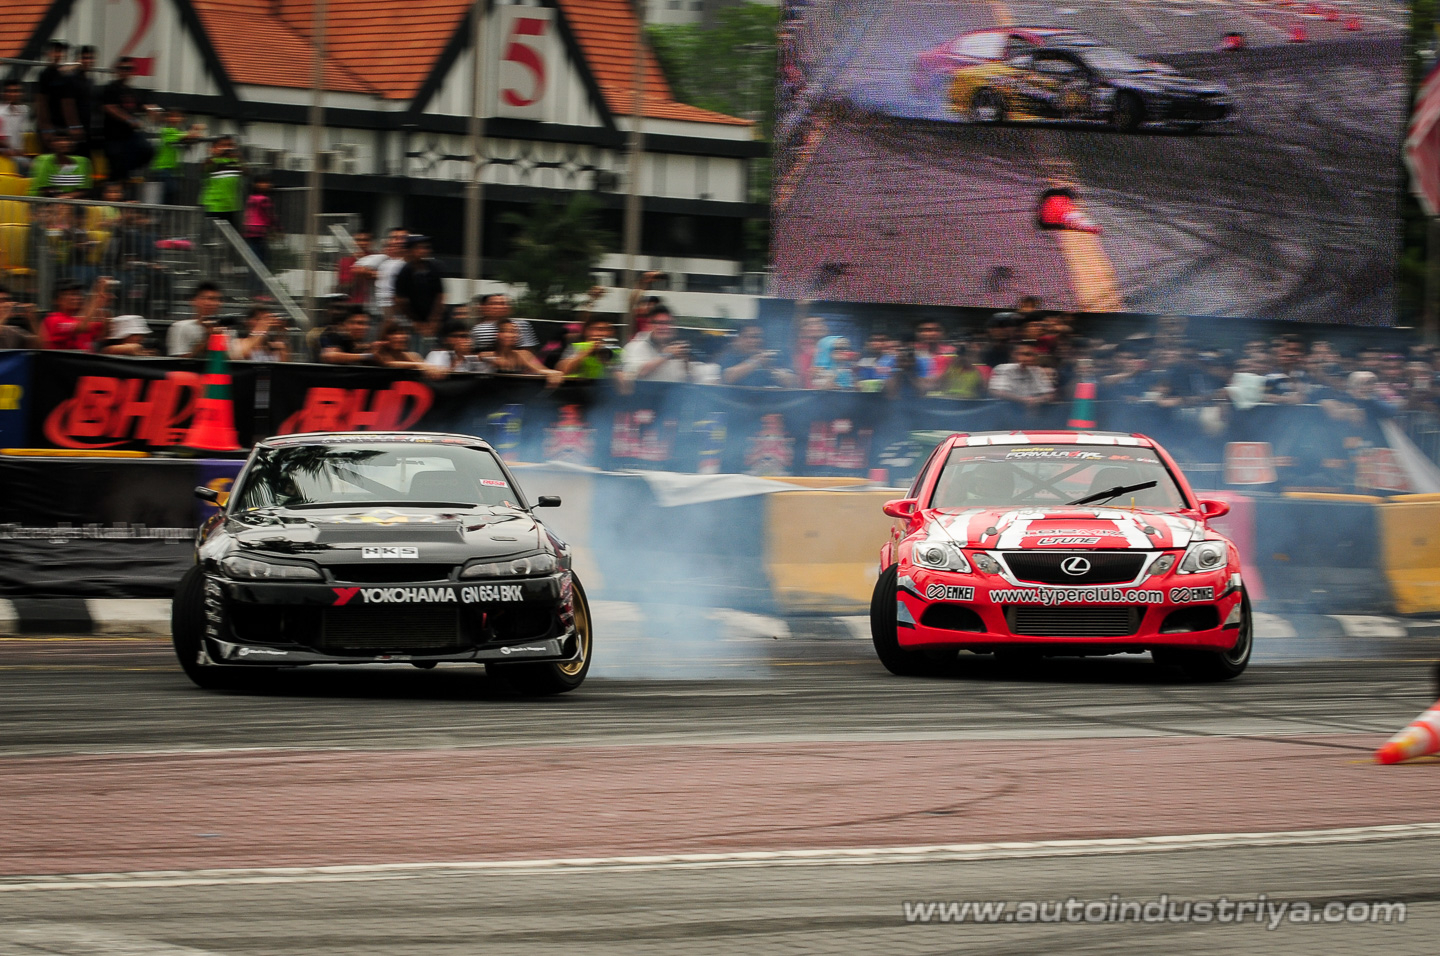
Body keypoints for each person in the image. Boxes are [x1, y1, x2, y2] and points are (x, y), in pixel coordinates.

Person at [99, 57, 156, 185]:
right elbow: (108, 107)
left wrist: (149, 109)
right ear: (117, 70)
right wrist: (129, 119)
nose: (126, 71)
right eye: (122, 68)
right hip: (114, 137)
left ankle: (126, 174)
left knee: (148, 149)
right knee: (116, 170)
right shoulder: (111, 88)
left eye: (129, 68)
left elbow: (138, 105)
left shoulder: (131, 91)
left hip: (130, 137)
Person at [391, 235, 445, 351]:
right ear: (410, 251)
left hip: (434, 321)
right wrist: (416, 322)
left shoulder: (433, 268)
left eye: (425, 248)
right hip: (412, 322)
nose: (423, 251)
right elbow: (400, 300)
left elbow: (440, 295)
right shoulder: (405, 272)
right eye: (419, 248)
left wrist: (434, 320)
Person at [621, 308, 696, 383]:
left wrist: (686, 364)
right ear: (649, 325)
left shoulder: (681, 348)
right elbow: (635, 374)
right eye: (659, 323)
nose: (663, 327)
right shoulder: (634, 347)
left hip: (673, 393)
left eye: (668, 323)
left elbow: (692, 381)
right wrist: (666, 355)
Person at [479, 318, 563, 385]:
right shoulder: (486, 355)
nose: (512, 335)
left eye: (515, 332)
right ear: (497, 334)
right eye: (507, 331)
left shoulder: (524, 354)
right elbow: (498, 363)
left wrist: (554, 373)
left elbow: (540, 369)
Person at [149, 108, 204, 205]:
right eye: (171, 116)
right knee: (169, 191)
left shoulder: (178, 131)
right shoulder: (166, 131)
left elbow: (191, 138)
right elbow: (188, 136)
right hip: (163, 168)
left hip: (174, 170)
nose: (174, 119)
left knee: (171, 196)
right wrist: (195, 129)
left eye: (177, 116)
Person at [41, 277, 110, 350]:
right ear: (58, 300)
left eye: (78, 294)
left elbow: (102, 334)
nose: (77, 298)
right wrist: (95, 300)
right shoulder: (53, 320)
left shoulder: (78, 320)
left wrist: (102, 303)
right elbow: (83, 327)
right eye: (72, 294)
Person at [718, 323, 796, 387]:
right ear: (738, 339)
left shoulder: (770, 357)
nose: (756, 341)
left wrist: (770, 369)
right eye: (752, 337)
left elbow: (792, 382)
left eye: (759, 337)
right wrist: (755, 361)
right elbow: (727, 377)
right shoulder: (730, 356)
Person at [166, 281, 225, 357]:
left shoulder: (225, 328)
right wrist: (209, 337)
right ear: (194, 301)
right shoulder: (181, 327)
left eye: (215, 299)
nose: (210, 303)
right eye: (206, 298)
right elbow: (181, 360)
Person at [988, 343, 1055, 408]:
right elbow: (997, 392)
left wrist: (1037, 400)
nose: (1030, 358)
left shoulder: (1038, 371)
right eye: (1026, 354)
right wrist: (1023, 400)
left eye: (1033, 355)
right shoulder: (1004, 368)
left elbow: (1049, 394)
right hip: (1007, 407)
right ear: (1014, 355)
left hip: (1034, 408)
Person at [28, 133, 92, 198]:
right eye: (58, 140)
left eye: (67, 139)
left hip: (73, 202)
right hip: (44, 200)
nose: (63, 143)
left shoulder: (83, 161)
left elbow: (85, 190)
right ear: (51, 144)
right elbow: (44, 190)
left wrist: (68, 196)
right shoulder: (43, 160)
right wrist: (61, 199)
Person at [557, 315, 620, 380]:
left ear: (612, 332)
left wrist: (606, 358)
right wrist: (587, 352)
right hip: (577, 387)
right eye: (597, 329)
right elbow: (561, 371)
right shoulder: (576, 347)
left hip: (606, 387)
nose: (600, 333)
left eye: (605, 329)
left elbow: (623, 378)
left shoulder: (617, 350)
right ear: (587, 331)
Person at [470, 293, 540, 351]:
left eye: (504, 303)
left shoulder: (521, 325)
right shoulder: (478, 329)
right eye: (496, 303)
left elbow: (528, 350)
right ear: (484, 307)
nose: (501, 307)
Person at [201, 135, 245, 228]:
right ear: (214, 148)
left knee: (231, 236)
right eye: (223, 145)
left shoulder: (235, 161)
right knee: (209, 237)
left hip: (232, 206)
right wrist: (214, 154)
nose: (227, 148)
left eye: (230, 145)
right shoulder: (212, 161)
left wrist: (239, 158)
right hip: (214, 206)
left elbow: (246, 172)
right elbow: (204, 168)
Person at [242, 175, 281, 277]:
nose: (267, 185)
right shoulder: (264, 199)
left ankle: (252, 284)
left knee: (253, 259)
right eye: (263, 182)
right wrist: (277, 228)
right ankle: (258, 286)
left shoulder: (250, 198)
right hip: (259, 232)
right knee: (261, 260)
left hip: (249, 231)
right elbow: (270, 215)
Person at [34, 40, 70, 149]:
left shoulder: (62, 75)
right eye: (55, 51)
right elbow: (41, 102)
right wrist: (46, 129)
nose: (58, 55)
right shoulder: (44, 74)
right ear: (48, 54)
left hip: (61, 126)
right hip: (49, 127)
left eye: (60, 52)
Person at [371, 319, 436, 374]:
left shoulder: (413, 356)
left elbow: (427, 369)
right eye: (395, 334)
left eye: (402, 333)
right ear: (384, 337)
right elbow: (389, 364)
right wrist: (418, 365)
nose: (400, 337)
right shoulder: (378, 355)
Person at [337, 230, 380, 305]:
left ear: (372, 242)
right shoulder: (345, 262)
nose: (362, 243)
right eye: (358, 240)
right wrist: (357, 275)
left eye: (366, 240)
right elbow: (342, 287)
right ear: (353, 242)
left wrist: (368, 273)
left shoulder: (379, 258)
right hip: (353, 304)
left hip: (374, 303)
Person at [373, 227, 408, 317]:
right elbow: (385, 297)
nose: (398, 242)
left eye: (402, 238)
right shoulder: (385, 263)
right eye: (394, 238)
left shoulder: (415, 263)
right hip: (389, 314)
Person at [0, 79, 32, 174]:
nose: (13, 94)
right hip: (4, 154)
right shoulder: (0, 113)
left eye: (16, 91)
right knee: (24, 163)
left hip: (19, 154)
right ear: (4, 94)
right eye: (10, 91)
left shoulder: (25, 110)